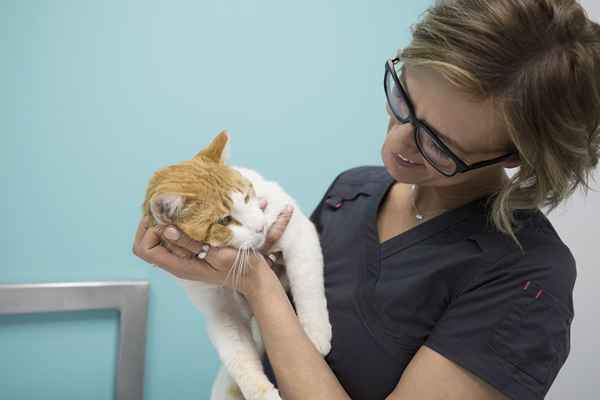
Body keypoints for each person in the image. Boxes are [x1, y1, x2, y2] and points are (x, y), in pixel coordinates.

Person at [132, 0, 600, 399]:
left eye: (439, 145)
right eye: (403, 99)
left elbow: (270, 301)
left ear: (515, 155)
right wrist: (219, 265)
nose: (395, 144)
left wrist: (258, 284)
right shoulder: (351, 192)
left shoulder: (525, 278)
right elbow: (280, 327)